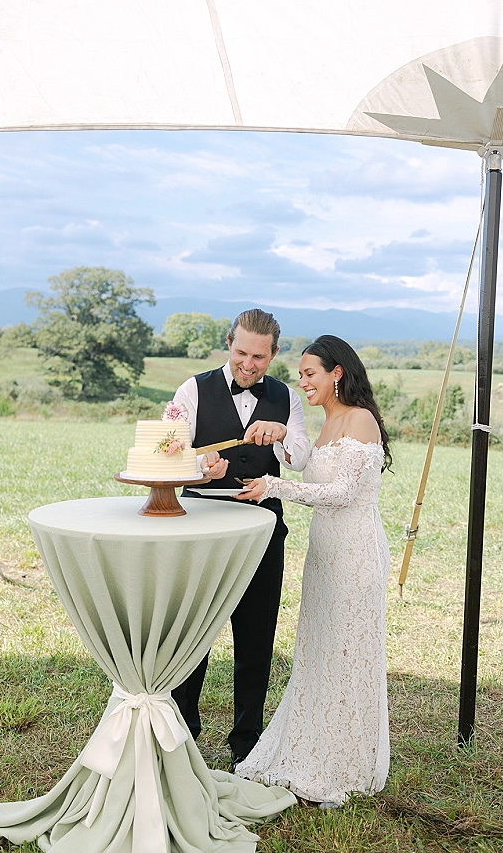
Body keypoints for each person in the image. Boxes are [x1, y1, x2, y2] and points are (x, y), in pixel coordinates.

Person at [232, 334, 392, 807]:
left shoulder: (360, 420)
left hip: (356, 551)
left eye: (309, 374)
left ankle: (342, 763)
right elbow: (308, 469)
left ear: (336, 373)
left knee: (348, 652)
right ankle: (308, 747)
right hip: (324, 551)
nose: (302, 383)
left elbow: (343, 493)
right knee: (319, 648)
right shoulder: (327, 423)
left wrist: (276, 488)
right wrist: (280, 450)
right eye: (300, 375)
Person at [172, 308, 310, 769]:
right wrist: (200, 467)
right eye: (241, 353)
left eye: (260, 357)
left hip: (262, 529)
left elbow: (301, 459)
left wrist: (283, 434)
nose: (249, 364)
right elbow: (169, 452)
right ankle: (183, 730)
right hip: (201, 528)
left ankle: (247, 738)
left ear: (274, 354)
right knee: (193, 633)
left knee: (257, 635)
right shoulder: (192, 390)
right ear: (228, 343)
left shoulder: (286, 398)